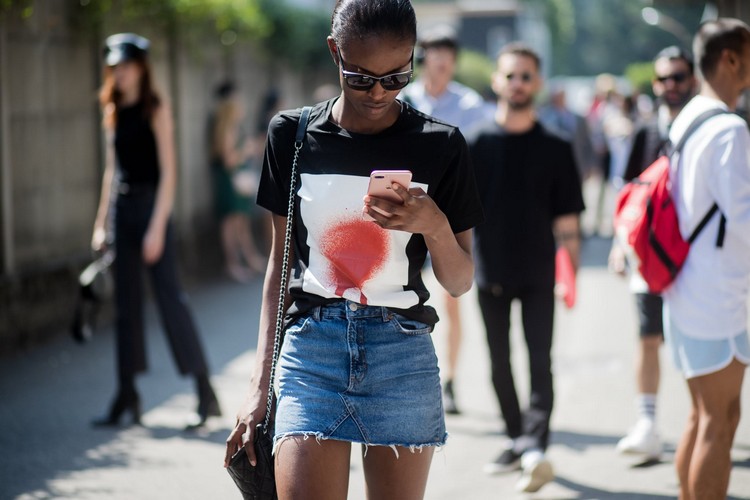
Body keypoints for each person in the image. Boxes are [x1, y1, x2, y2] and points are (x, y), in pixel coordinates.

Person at [223, 1, 484, 499]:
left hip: (402, 353)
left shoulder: (441, 145)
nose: (379, 93)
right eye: (360, 78)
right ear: (333, 51)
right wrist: (259, 385)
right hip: (311, 352)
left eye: (396, 77)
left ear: (414, 58)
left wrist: (433, 225)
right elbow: (280, 268)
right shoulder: (293, 137)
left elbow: (459, 280)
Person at [469, 42, 585, 493]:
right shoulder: (476, 142)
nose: (518, 83)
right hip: (490, 271)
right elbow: (459, 216)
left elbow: (569, 221)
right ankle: (516, 437)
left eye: (526, 76)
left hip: (540, 273)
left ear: (537, 83)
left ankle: (536, 443)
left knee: (541, 361)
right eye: (510, 75)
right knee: (498, 363)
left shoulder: (555, 146)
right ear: (497, 82)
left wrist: (570, 277)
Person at [91, 33, 220, 429]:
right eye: (115, 66)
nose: (121, 72)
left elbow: (169, 171)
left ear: (141, 68)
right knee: (125, 306)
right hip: (121, 210)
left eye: (127, 65)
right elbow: (113, 170)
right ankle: (126, 393)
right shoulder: (113, 107)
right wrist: (99, 223)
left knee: (170, 301)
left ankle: (203, 391)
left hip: (151, 208)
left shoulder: (155, 107)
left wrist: (157, 227)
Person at [662, 18, 750, 499]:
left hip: (688, 283)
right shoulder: (730, 127)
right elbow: (743, 215)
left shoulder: (691, 114)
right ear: (731, 58)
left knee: (703, 415)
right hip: (716, 291)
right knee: (721, 420)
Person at [608, 45, 697, 461]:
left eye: (678, 77)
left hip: (698, 257)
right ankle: (647, 423)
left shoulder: (706, 128)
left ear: (693, 79)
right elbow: (628, 193)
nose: (671, 85)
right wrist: (618, 245)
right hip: (650, 252)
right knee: (648, 336)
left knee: (695, 338)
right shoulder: (647, 131)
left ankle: (704, 420)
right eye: (664, 79)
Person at [400, 24, 492, 415]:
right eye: (435, 59)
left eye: (447, 61)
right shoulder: (403, 99)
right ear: (424, 60)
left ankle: (449, 379)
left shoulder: (470, 107)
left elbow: (476, 164)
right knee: (400, 295)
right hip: (404, 217)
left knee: (452, 298)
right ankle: (408, 376)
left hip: (450, 217)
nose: (441, 67)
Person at [211, 81, 267, 283]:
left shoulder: (230, 127)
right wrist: (247, 150)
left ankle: (248, 259)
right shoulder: (229, 129)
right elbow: (229, 160)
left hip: (234, 180)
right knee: (231, 223)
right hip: (231, 180)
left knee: (240, 222)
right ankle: (233, 264)